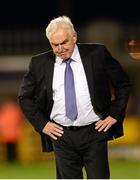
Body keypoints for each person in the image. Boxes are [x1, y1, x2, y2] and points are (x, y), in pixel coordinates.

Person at [18, 16, 131, 179]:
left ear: (74, 36)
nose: (60, 49)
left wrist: (115, 114)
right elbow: (24, 98)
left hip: (94, 132)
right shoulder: (39, 63)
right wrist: (42, 124)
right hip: (61, 135)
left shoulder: (97, 54)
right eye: (54, 45)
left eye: (64, 42)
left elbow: (123, 84)